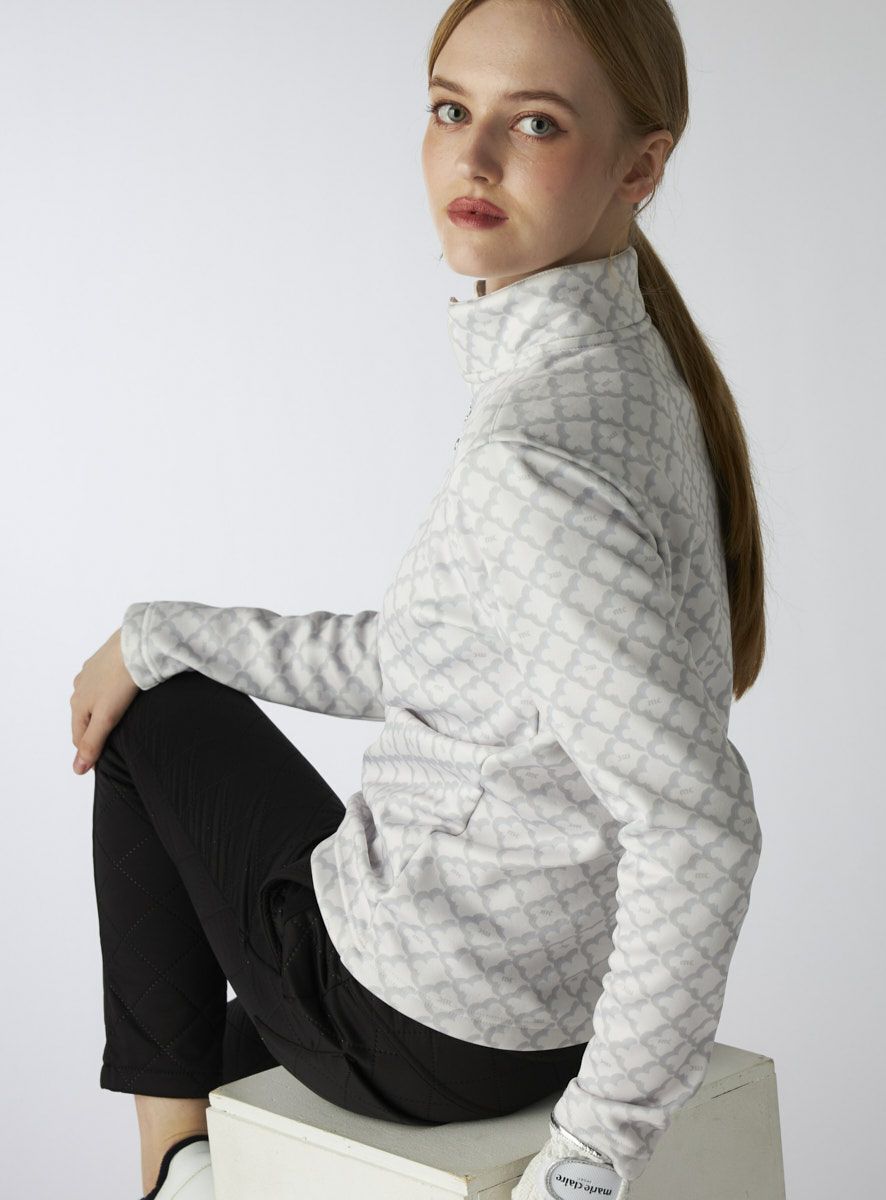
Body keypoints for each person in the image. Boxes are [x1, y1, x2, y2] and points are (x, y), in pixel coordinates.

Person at [70, 2, 768, 1198]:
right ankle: (198, 1138)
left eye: (534, 123)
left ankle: (172, 1169)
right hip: (544, 1012)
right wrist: (164, 630)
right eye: (451, 109)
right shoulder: (624, 373)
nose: (472, 158)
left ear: (640, 165)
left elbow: (699, 827)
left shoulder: (530, 456)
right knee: (209, 1031)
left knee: (155, 722)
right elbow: (437, 659)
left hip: (430, 1027)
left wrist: (591, 1158)